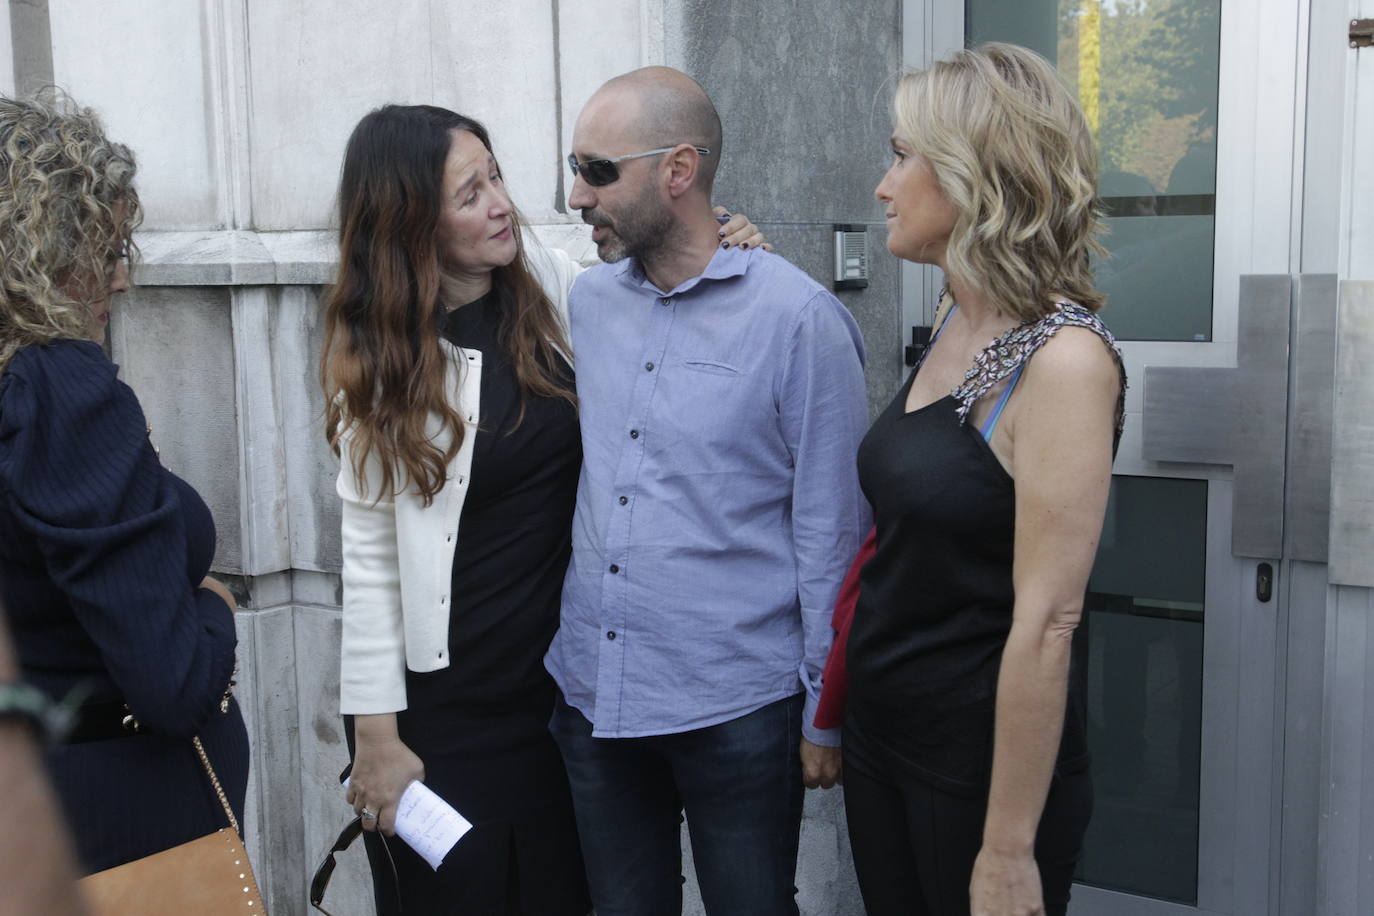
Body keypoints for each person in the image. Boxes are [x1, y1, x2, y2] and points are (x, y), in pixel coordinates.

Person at [322, 103, 764, 914]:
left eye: (495, 176)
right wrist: (374, 738)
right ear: (411, 221)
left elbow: (662, 282)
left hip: (567, 701)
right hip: (450, 716)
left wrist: (727, 240)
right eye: (468, 194)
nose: (500, 203)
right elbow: (371, 563)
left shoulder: (555, 292)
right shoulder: (381, 368)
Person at [545, 67, 869, 916]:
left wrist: (821, 713)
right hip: (593, 696)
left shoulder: (799, 320)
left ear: (679, 171)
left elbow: (831, 529)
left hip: (737, 709)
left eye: (598, 170)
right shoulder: (585, 301)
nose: (577, 194)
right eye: (573, 167)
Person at [843, 44, 1126, 916]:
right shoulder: (953, 317)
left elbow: (1049, 623)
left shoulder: (1064, 360)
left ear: (976, 176)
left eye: (901, 156)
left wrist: (1007, 850)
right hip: (882, 735)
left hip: (975, 774)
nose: (884, 186)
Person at [0, 94, 248, 874]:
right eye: (106, 249)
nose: (122, 278)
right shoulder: (57, 390)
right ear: (44, 252)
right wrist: (213, 608)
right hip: (110, 822)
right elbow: (172, 685)